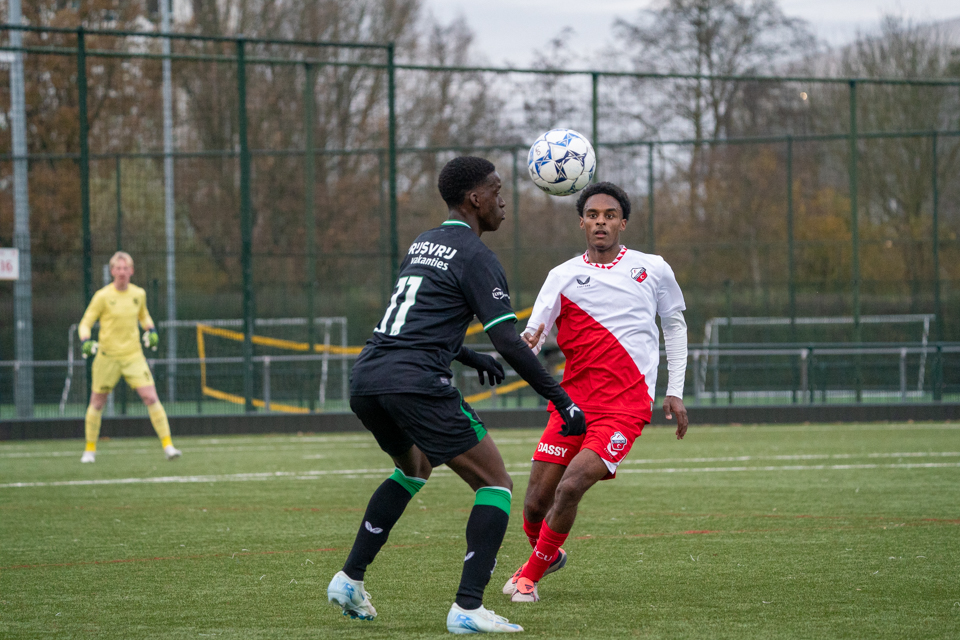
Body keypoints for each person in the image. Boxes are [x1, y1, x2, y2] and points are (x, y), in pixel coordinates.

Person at [326, 157, 586, 634]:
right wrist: (561, 398)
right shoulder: (477, 256)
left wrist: (467, 355)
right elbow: (510, 340)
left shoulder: (422, 243)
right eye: (497, 192)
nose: (503, 202)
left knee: (414, 468)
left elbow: (416, 320)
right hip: (415, 382)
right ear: (475, 199)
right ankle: (468, 607)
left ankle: (350, 579)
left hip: (367, 378)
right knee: (495, 484)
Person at [501, 182, 689, 603]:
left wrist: (674, 389)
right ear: (581, 223)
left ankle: (529, 578)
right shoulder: (562, 276)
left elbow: (674, 326)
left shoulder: (652, 268)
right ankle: (548, 554)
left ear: (623, 223)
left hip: (625, 408)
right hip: (571, 407)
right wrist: (524, 343)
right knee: (533, 505)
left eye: (609, 215)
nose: (600, 222)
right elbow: (535, 333)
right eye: (592, 215)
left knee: (570, 487)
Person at [77, 251, 181, 463]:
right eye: (118, 268)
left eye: (125, 268)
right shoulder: (102, 296)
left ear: (132, 271)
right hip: (107, 357)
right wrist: (85, 340)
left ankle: (168, 446)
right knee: (97, 402)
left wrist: (151, 330)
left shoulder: (138, 294)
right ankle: (89, 450)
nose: (122, 272)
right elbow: (85, 323)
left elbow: (144, 316)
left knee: (151, 397)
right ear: (112, 271)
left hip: (133, 355)